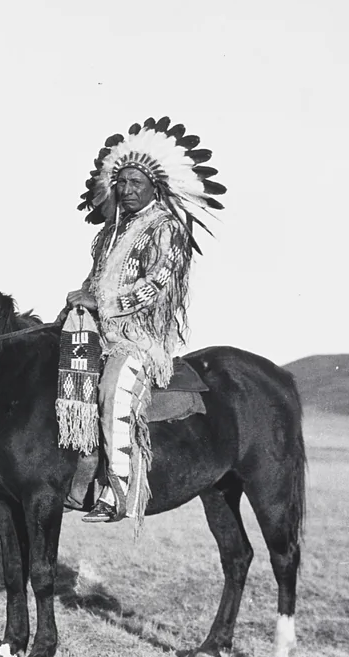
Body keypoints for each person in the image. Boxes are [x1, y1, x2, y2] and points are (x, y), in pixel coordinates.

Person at [65, 116, 227, 524]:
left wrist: (99, 302)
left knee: (113, 388)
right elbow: (94, 279)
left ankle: (116, 493)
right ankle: (76, 474)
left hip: (140, 339)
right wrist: (75, 306)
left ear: (156, 186)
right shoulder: (110, 232)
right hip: (98, 330)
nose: (127, 190)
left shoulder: (166, 228)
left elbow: (156, 284)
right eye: (121, 183)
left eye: (136, 183)